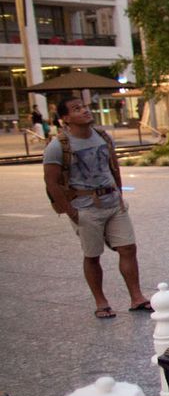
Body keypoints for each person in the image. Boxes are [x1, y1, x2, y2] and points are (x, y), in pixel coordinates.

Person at [43, 97, 151, 319]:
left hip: (113, 203)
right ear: (65, 118)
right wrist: (71, 212)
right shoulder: (58, 146)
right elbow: (51, 182)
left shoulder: (102, 137)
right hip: (85, 208)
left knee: (128, 248)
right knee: (92, 256)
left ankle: (137, 297)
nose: (85, 111)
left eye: (84, 106)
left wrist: (119, 195)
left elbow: (114, 167)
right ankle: (101, 302)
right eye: (77, 109)